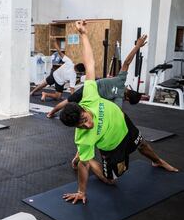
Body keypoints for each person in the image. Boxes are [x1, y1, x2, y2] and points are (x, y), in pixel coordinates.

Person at [59, 21, 178, 205]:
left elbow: (90, 63)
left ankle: (158, 161)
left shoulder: (91, 95)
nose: (87, 125)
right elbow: (82, 168)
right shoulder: (82, 138)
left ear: (83, 108)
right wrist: (81, 191)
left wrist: (83, 34)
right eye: (80, 126)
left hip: (124, 125)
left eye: (85, 119)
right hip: (111, 146)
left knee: (143, 144)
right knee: (110, 180)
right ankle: (88, 157)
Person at [46, 34, 148, 120]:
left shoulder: (121, 80)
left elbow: (127, 62)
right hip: (92, 96)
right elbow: (118, 112)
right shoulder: (119, 98)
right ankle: (55, 112)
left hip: (90, 87)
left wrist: (137, 46)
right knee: (76, 105)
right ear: (127, 99)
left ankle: (51, 113)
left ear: (129, 89)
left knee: (69, 102)